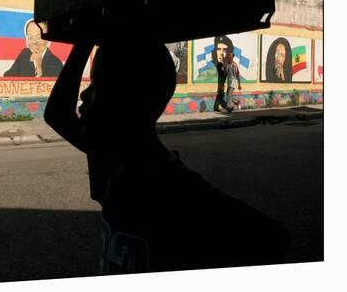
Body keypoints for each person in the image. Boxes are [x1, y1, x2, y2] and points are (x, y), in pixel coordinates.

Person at [44, 29, 289, 274]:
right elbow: (57, 115)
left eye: (98, 85)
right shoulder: (113, 160)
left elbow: (272, 239)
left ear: (130, 99)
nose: (84, 95)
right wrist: (86, 39)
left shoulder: (175, 188)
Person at [212, 35, 233, 111]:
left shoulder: (222, 65)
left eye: (224, 50)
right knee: (220, 96)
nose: (221, 53)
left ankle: (216, 107)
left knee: (219, 96)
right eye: (219, 49)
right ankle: (227, 107)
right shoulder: (219, 66)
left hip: (221, 84)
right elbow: (223, 72)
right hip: (221, 85)